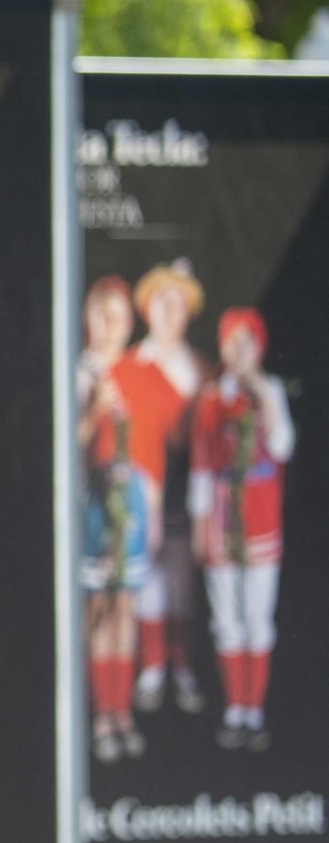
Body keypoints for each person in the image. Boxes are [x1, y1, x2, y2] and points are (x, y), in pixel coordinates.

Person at [189, 307, 295, 751]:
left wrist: (262, 392)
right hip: (222, 521)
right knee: (228, 620)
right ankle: (235, 708)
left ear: (259, 346)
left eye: (246, 342)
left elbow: (283, 444)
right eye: (231, 342)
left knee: (257, 618)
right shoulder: (212, 397)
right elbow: (202, 465)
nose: (239, 351)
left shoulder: (268, 390)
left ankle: (255, 709)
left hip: (261, 520)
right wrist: (199, 524)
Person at [123, 259, 210, 716]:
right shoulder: (130, 366)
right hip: (141, 500)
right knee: (148, 588)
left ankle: (183, 667)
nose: (169, 312)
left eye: (178, 304)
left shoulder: (201, 368)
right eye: (161, 302)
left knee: (183, 587)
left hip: (187, 498)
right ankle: (152, 669)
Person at [77, 277, 152, 762]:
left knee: (126, 605)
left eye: (119, 317)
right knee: (101, 607)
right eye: (101, 315)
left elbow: (150, 446)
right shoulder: (81, 372)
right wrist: (93, 411)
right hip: (94, 501)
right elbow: (69, 444)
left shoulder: (139, 370)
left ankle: (123, 711)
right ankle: (100, 716)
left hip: (134, 500)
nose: (110, 326)